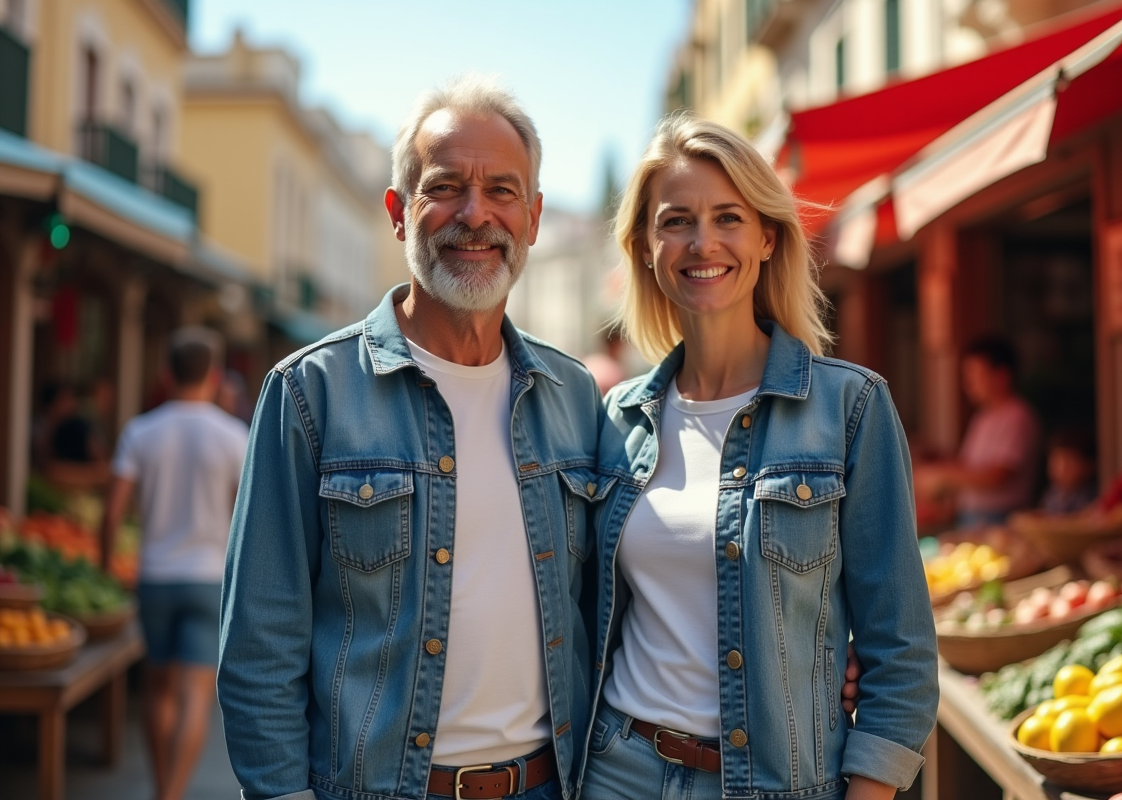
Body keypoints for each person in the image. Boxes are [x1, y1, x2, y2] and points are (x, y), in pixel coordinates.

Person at [218, 77, 859, 800]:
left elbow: (633, 589)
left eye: (502, 191)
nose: (474, 214)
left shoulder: (575, 398)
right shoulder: (311, 391)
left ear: (532, 218)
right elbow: (257, 648)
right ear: (399, 213)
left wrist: (818, 659)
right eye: (446, 187)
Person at [582, 115, 938, 800]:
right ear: (646, 246)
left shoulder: (849, 409)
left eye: (727, 218)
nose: (702, 242)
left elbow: (903, 653)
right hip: (620, 772)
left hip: (782, 782)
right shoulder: (614, 419)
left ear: (768, 237)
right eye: (676, 221)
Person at [100, 327, 249, 800]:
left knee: (158, 690)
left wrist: (106, 570)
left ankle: (161, 789)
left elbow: (111, 511)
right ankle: (174, 795)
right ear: (216, 375)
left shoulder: (140, 431)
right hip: (209, 579)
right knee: (195, 696)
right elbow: (244, 515)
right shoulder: (233, 436)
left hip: (155, 577)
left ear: (165, 374)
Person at [915, 337, 1041, 528]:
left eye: (975, 374)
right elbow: (970, 466)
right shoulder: (982, 417)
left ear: (1001, 376)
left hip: (1001, 520)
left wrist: (942, 476)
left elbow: (997, 475)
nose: (968, 383)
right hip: (972, 518)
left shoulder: (1017, 416)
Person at [1040, 427, 1097, 514]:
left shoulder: (1091, 497)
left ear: (1089, 465)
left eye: (1069, 462)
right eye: (1056, 461)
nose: (1062, 469)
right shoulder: (1051, 494)